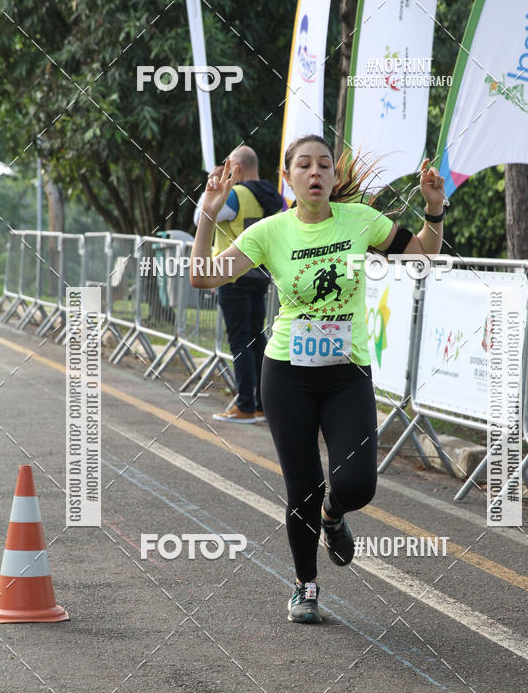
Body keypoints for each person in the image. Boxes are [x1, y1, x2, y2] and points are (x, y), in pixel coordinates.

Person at [191, 135, 446, 623]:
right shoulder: (270, 231)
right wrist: (209, 212)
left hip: (347, 373)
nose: (315, 173)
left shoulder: (360, 221)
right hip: (287, 374)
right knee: (303, 487)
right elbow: (203, 275)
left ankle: (334, 515)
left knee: (358, 484)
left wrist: (434, 210)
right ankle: (304, 585)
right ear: (288, 177)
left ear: (333, 176)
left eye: (324, 165)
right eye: (304, 165)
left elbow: (421, 256)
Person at [194, 145, 284, 423]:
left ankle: (245, 405)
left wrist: (212, 184)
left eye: (228, 166)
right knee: (257, 339)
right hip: (260, 275)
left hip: (231, 275)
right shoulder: (275, 197)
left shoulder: (235, 194)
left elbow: (200, 217)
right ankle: (262, 405)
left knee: (240, 341)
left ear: (237, 167)